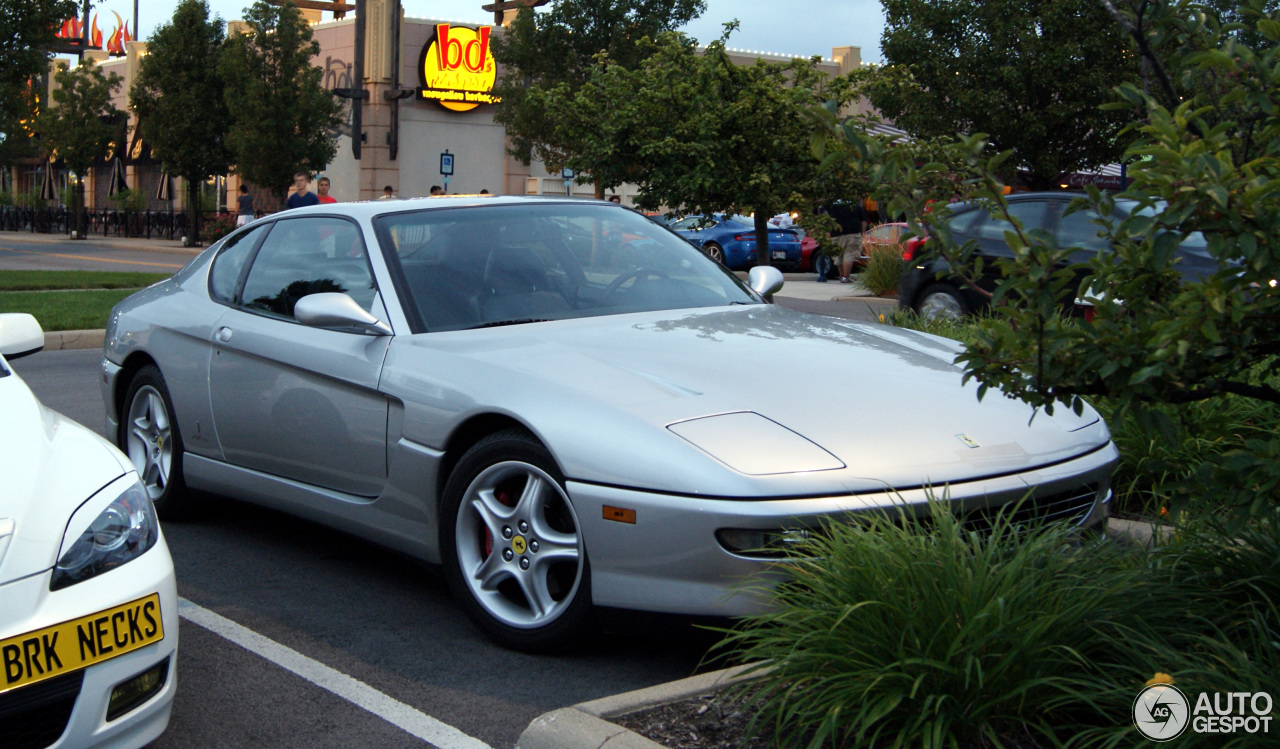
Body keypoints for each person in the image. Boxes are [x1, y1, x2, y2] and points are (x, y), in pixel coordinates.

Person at [824, 200, 867, 283]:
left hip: (836, 234)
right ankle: (846, 277)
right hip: (853, 234)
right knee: (849, 255)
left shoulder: (832, 207)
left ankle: (842, 276)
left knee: (838, 256)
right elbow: (863, 220)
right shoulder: (856, 206)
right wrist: (863, 233)